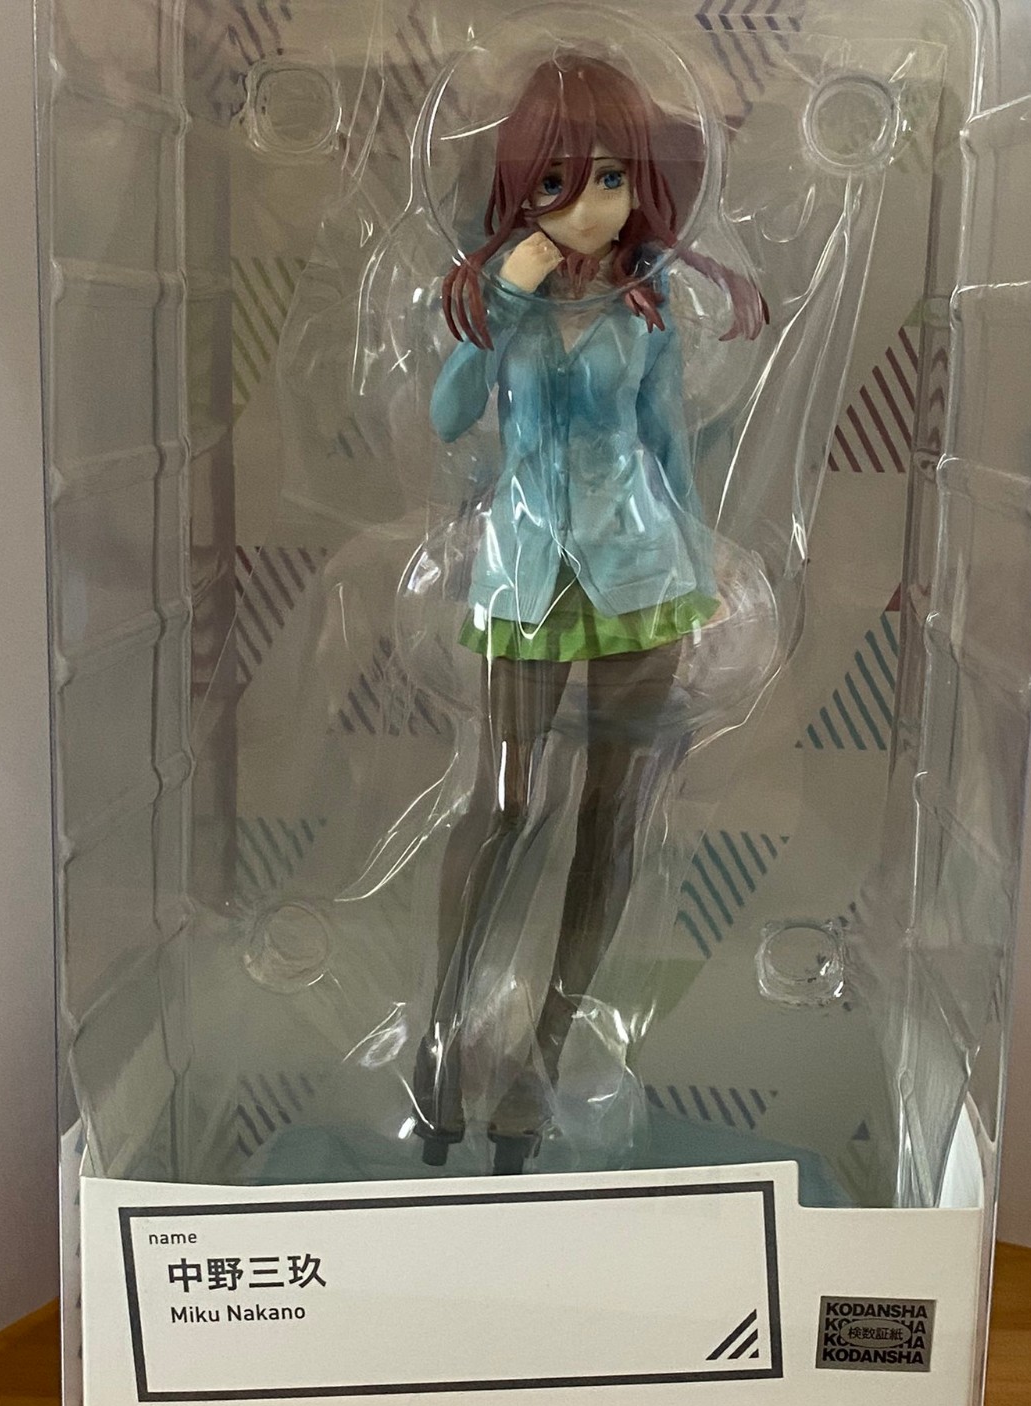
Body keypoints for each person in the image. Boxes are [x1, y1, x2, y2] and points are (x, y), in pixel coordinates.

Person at [415, 52, 767, 1174]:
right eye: (557, 182)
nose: (588, 206)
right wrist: (505, 295)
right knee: (505, 803)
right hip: (525, 577)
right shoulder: (505, 305)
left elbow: (666, 446)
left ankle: (543, 1056)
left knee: (611, 818)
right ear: (521, 189)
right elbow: (449, 414)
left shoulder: (647, 308)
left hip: (640, 577)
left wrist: (700, 571)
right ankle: (439, 1034)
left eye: (611, 178)